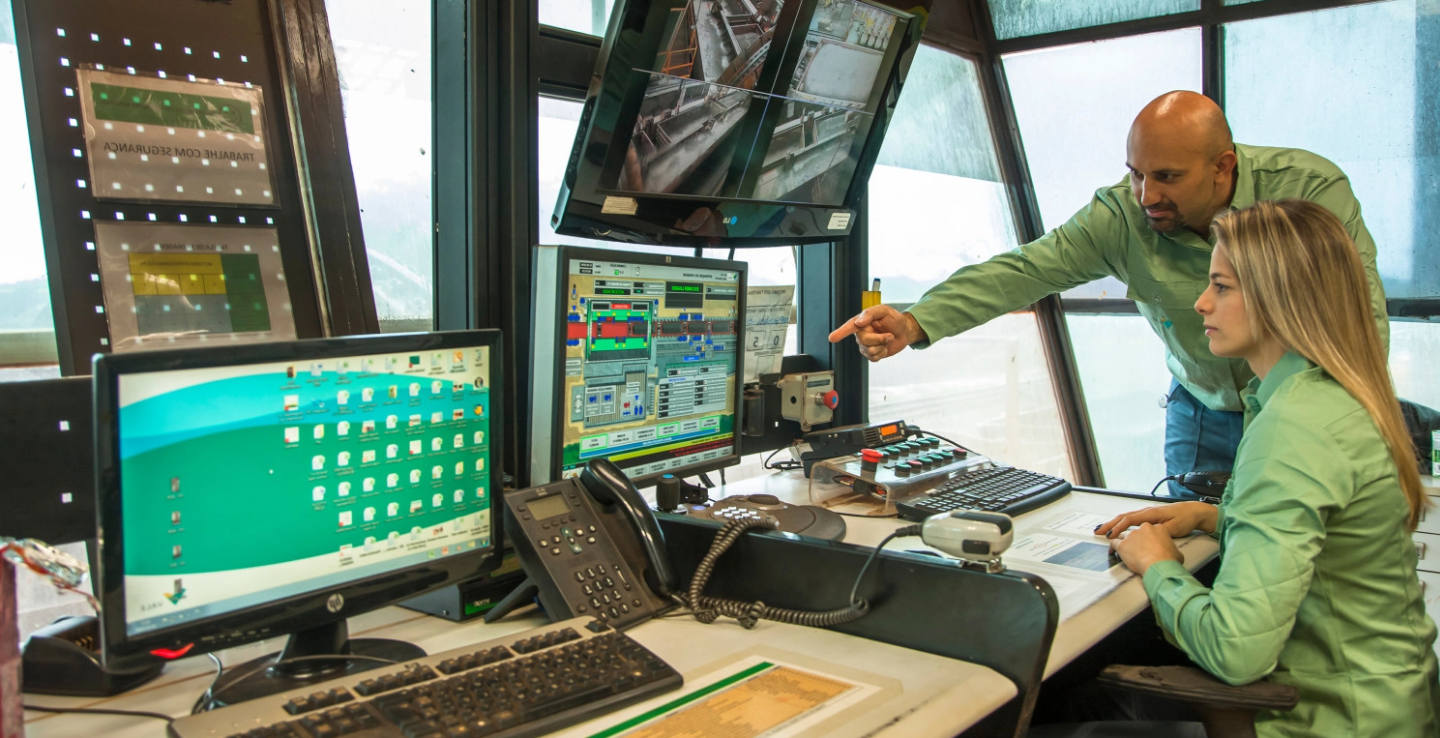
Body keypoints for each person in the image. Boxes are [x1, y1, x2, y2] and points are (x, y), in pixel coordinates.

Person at [829, 91, 1388, 497]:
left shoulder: (1307, 191)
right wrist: (917, 320)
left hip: (1305, 404)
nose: (1147, 195)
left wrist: (1334, 417)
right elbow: (1025, 270)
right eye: (1136, 174)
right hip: (1204, 407)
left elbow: (1358, 316)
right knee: (1195, 549)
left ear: (1224, 167)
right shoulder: (1122, 214)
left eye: (1166, 176)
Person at [1095, 200, 1439, 736]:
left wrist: (1156, 563)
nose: (1202, 303)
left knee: (1081, 700)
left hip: (1333, 721)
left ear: (1283, 297)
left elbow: (1237, 651)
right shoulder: (1331, 398)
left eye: (1222, 286)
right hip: (1394, 704)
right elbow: (1326, 539)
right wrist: (1215, 517)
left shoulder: (1293, 427)